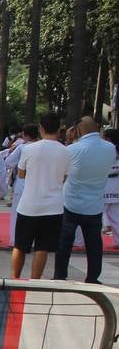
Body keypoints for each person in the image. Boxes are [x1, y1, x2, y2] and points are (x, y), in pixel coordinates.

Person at [53, 116, 115, 283]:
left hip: (71, 201)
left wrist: (68, 140)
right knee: (94, 244)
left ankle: (60, 275)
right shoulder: (110, 148)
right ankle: (93, 277)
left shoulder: (73, 149)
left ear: (78, 130)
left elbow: (62, 172)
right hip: (94, 204)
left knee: (64, 242)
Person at [10, 112, 69, 280]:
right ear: (59, 129)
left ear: (41, 128)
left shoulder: (29, 149)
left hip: (29, 204)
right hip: (53, 207)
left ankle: (15, 280)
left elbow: (21, 174)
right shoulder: (66, 151)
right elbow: (64, 177)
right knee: (42, 247)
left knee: (20, 245)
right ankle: (34, 282)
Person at [5, 124, 39, 245]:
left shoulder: (22, 148)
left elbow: (8, 163)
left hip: (22, 182)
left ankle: (15, 239)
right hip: (38, 184)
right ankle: (33, 240)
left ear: (24, 135)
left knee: (17, 213)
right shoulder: (42, 147)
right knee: (35, 213)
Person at [103, 128, 119, 250]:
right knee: (116, 217)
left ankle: (81, 241)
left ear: (108, 138)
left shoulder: (105, 150)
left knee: (95, 216)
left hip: (104, 185)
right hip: (116, 186)